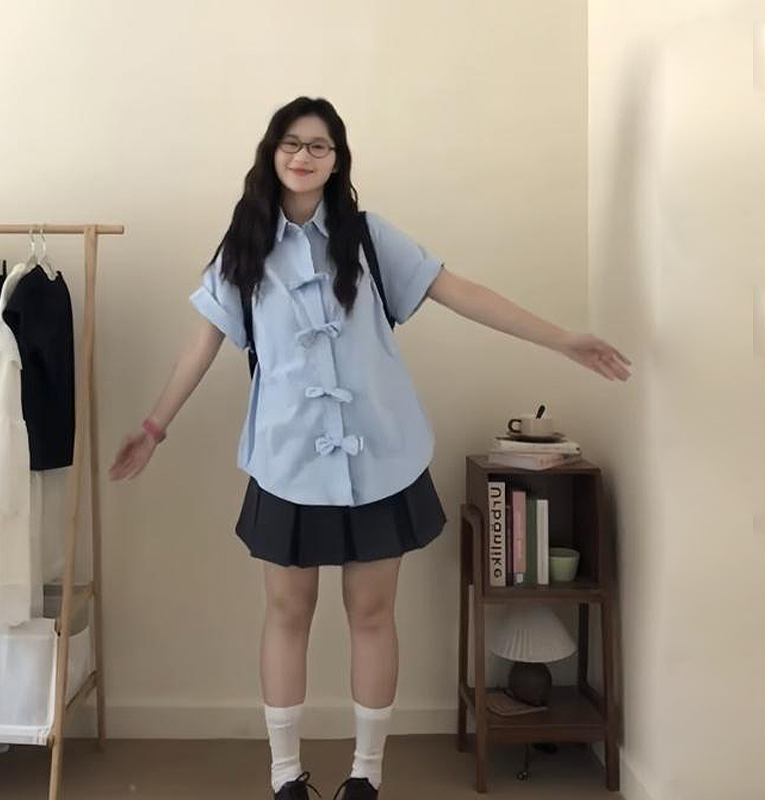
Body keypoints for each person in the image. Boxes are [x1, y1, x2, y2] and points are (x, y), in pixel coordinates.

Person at [109, 96, 633, 800]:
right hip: (288, 459)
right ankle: (285, 776)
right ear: (271, 152)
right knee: (287, 613)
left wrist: (562, 339)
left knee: (373, 615)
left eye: (318, 146)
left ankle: (366, 776)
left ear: (337, 160)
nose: (303, 155)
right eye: (291, 143)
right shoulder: (244, 247)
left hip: (378, 457)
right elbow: (199, 346)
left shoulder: (368, 237)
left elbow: (463, 292)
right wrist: (153, 428)